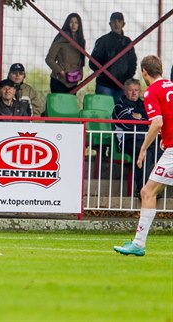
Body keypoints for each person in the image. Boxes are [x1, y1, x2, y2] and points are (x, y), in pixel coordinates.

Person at [114, 55, 172, 257]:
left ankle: (138, 243)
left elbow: (156, 123)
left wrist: (143, 148)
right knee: (149, 191)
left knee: (147, 192)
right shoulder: (171, 86)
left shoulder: (151, 92)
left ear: (144, 72)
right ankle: (138, 242)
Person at [112, 78, 161, 198]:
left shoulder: (143, 104)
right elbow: (127, 125)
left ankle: (151, 189)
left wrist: (140, 119)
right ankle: (142, 189)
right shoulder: (119, 105)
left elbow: (153, 121)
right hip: (127, 140)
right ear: (125, 91)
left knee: (159, 151)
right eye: (131, 90)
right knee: (143, 152)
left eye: (136, 90)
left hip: (145, 139)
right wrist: (143, 121)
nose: (134, 93)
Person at [89, 12, 137, 103]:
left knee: (120, 113)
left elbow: (132, 63)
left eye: (119, 21)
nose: (116, 24)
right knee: (105, 112)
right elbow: (93, 62)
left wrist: (128, 79)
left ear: (123, 24)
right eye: (114, 21)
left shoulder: (127, 42)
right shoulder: (102, 41)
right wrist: (103, 75)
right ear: (110, 24)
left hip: (122, 85)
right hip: (105, 84)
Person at [45, 13, 86, 94]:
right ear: (67, 23)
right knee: (57, 105)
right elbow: (49, 59)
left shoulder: (81, 41)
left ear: (79, 25)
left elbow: (81, 61)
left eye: (76, 23)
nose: (73, 25)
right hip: (59, 81)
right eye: (71, 22)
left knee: (70, 106)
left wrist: (80, 74)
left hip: (73, 81)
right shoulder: (61, 38)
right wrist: (60, 71)